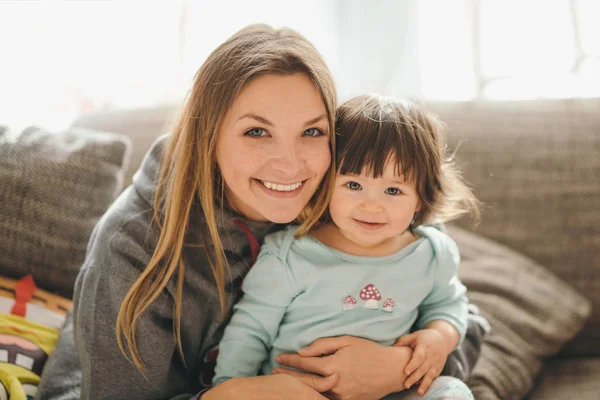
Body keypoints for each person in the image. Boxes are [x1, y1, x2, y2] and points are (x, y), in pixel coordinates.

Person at [37, 25, 487, 400]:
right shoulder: (133, 245)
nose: (291, 165)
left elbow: (463, 320)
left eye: (312, 131)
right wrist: (232, 394)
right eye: (257, 131)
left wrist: (396, 368)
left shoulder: (364, 196)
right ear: (207, 136)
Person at [213, 94, 481, 399]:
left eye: (393, 190)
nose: (371, 205)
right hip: (301, 391)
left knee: (452, 391)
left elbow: (447, 304)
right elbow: (250, 331)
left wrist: (440, 337)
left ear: (421, 196)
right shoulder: (290, 255)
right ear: (327, 184)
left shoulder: (432, 254)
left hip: (392, 391)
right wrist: (230, 386)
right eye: (353, 185)